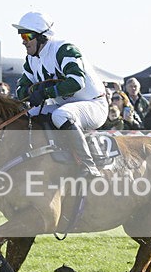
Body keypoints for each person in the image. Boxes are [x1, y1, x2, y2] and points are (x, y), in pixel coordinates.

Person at [13, 11, 109, 177]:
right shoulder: (31, 60)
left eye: (27, 36)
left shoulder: (64, 49)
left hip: (94, 105)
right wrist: (32, 92)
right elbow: (21, 90)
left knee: (61, 115)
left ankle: (89, 166)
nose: (24, 42)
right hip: (65, 106)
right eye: (21, 37)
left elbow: (77, 82)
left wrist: (45, 93)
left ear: (42, 36)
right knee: (29, 115)